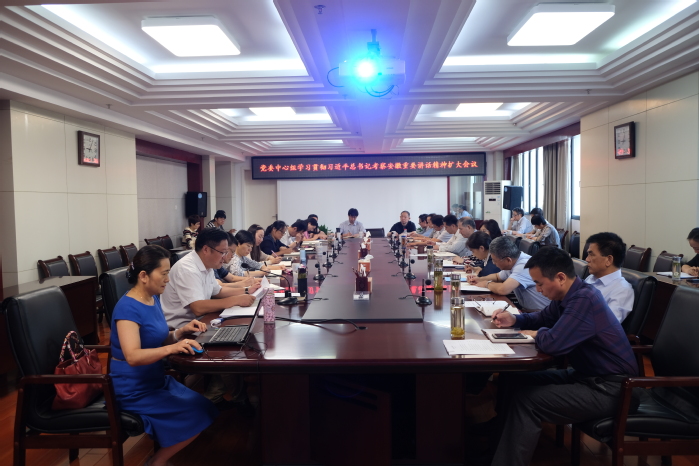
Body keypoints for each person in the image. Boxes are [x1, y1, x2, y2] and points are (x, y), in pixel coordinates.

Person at [488, 247, 638, 466]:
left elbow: (554, 343)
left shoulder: (584, 299)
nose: (537, 289)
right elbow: (542, 317)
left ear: (560, 278)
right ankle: (496, 443)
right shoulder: (568, 295)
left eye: (539, 283)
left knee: (528, 400)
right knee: (513, 379)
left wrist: (539, 333)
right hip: (587, 376)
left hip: (612, 389)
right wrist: (515, 319)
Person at [110, 245, 218, 466]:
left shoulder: (152, 298)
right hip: (132, 388)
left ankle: (158, 458)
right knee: (198, 412)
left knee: (204, 407)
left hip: (154, 379)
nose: (168, 280)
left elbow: (158, 338)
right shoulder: (127, 309)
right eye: (164, 273)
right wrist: (173, 348)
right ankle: (157, 461)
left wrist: (181, 332)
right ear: (143, 276)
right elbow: (132, 356)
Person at [161, 228, 256, 331]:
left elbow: (218, 291)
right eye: (223, 252)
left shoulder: (207, 265)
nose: (224, 257)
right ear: (206, 249)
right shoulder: (187, 269)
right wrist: (235, 300)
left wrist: (247, 290)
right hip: (181, 330)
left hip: (199, 322)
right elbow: (198, 307)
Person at [468, 236, 551, 311]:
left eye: (495, 260)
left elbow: (503, 289)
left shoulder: (523, 265)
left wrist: (487, 284)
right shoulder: (513, 262)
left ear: (508, 260)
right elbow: (497, 276)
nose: (493, 263)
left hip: (539, 314)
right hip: (525, 309)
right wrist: (479, 279)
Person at [584, 232, 634, 323]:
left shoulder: (622, 290)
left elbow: (605, 325)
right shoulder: (590, 278)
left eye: (591, 255)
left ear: (608, 260)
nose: (587, 259)